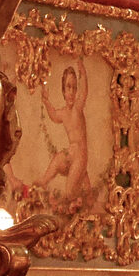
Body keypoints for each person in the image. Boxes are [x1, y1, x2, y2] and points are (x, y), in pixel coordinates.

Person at [42, 58, 92, 201]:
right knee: (58, 159)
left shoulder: (77, 108)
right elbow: (53, 116)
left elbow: (84, 91)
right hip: (71, 153)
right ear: (63, 91)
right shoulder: (63, 113)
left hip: (80, 154)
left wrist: (82, 72)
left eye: (74, 88)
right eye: (68, 87)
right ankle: (43, 182)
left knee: (70, 193)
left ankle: (82, 190)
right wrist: (46, 101)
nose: (71, 92)